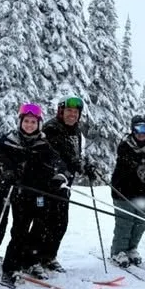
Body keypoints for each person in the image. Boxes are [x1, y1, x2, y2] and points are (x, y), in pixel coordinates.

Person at [0, 103, 68, 285]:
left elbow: (58, 162)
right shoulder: (7, 141)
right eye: (26, 121)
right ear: (20, 122)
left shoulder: (43, 144)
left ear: (39, 124)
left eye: (33, 122)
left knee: (20, 232)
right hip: (2, 191)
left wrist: (59, 175)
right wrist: (5, 171)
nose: (29, 125)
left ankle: (11, 268)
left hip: (25, 194)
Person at [34, 95, 95, 272]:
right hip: (46, 185)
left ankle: (49, 257)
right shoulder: (51, 129)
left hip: (64, 186)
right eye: (69, 111)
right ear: (61, 111)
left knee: (60, 223)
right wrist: (73, 166)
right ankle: (34, 259)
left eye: (76, 112)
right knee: (42, 223)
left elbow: (74, 156)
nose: (72, 115)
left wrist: (86, 165)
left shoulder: (76, 131)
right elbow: (55, 156)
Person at [109, 114, 145, 267]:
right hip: (123, 189)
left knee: (141, 221)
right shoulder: (125, 146)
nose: (141, 132)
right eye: (137, 128)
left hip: (142, 192)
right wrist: (139, 168)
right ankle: (118, 250)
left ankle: (131, 248)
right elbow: (127, 161)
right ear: (132, 130)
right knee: (125, 221)